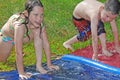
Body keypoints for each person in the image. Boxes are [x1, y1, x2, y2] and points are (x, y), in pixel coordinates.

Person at [0, 0, 59, 79]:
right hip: (8, 37)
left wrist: (49, 64)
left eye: (41, 15)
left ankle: (39, 66)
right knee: (2, 59)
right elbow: (18, 52)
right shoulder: (20, 25)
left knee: (38, 31)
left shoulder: (39, 24)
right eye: (35, 15)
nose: (39, 19)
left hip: (25, 34)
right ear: (27, 13)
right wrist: (21, 72)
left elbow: (46, 44)